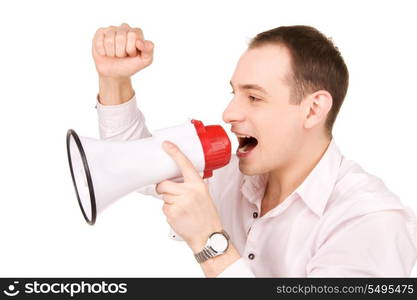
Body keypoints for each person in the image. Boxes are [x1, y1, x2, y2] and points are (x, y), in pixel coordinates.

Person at [92, 23, 417, 277]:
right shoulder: (227, 173)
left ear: (314, 109)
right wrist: (113, 80)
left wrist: (210, 242)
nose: (229, 113)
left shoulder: (371, 221)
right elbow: (126, 164)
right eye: (234, 93)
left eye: (254, 97)